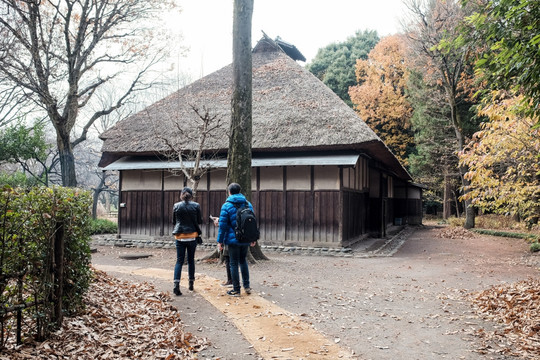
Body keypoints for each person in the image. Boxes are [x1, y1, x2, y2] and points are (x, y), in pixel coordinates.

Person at [217, 183, 257, 297]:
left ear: (229, 192)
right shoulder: (247, 203)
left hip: (232, 239)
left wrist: (220, 241)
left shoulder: (226, 205)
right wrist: (253, 238)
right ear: (240, 191)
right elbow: (252, 222)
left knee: (233, 263)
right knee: (243, 261)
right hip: (245, 238)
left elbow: (222, 226)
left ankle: (236, 289)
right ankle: (247, 286)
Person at [172, 187, 202, 296]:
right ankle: (191, 284)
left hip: (179, 236)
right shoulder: (196, 205)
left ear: (181, 195)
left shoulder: (176, 206)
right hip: (192, 236)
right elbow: (199, 221)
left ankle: (176, 285)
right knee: (191, 260)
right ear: (191, 195)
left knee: (179, 261)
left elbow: (174, 221)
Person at [211, 215, 232, 287]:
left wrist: (220, 242)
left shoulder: (227, 206)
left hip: (229, 239)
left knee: (229, 260)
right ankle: (246, 284)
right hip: (241, 240)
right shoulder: (246, 205)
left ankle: (231, 281)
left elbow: (225, 225)